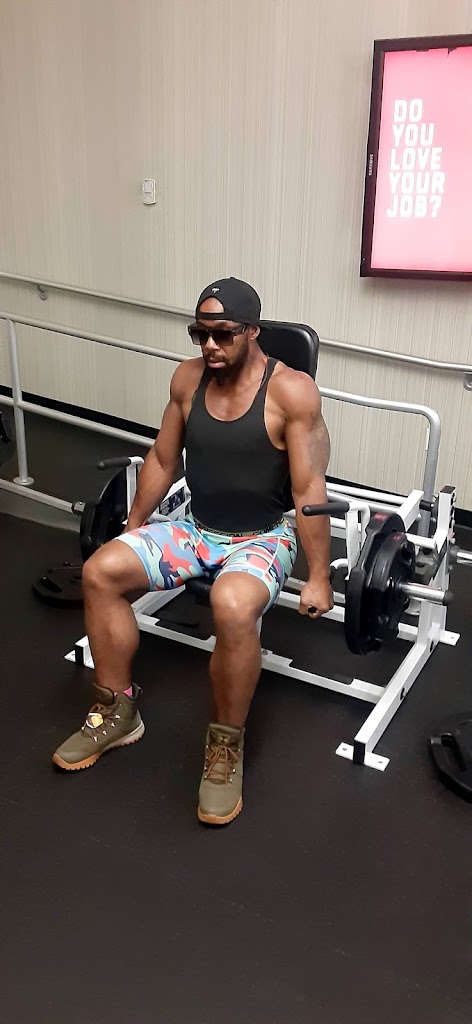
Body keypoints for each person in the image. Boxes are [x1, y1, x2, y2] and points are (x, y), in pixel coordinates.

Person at [53, 277, 333, 824]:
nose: (209, 346)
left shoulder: (292, 392)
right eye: (200, 334)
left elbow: (308, 489)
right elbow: (163, 459)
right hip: (196, 528)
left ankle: (225, 747)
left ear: (252, 331)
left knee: (232, 605)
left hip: (262, 536)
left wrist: (319, 574)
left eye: (223, 334)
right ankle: (115, 711)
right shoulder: (187, 378)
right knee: (101, 570)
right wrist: (133, 527)